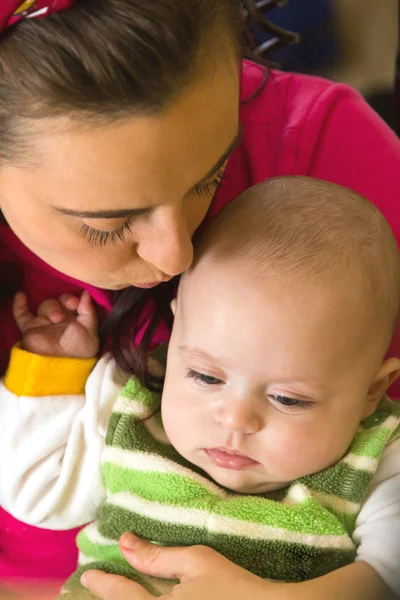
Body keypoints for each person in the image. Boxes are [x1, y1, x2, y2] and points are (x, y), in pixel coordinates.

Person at [1, 0, 400, 595]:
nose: (176, 258)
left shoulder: (331, 161)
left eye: (210, 178)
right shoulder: (126, 406)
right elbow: (38, 496)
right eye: (110, 222)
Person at [1, 177, 400, 600]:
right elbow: (38, 494)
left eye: (287, 399)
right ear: (174, 343)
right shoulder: (134, 406)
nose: (235, 418)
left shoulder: (378, 458)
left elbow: (390, 573)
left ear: (372, 391)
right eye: (207, 377)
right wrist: (52, 372)